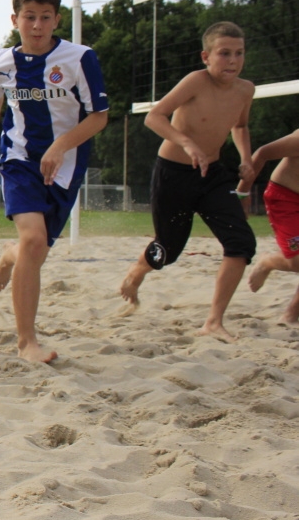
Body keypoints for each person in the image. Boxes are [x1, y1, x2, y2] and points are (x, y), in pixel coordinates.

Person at [0, 0, 109, 363]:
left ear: (56, 20)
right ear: (15, 19)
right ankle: (26, 341)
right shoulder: (0, 62)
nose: (36, 25)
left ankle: (10, 256)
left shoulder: (81, 59)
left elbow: (100, 116)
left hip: (65, 166)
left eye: (45, 17)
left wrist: (61, 146)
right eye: (29, 17)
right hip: (18, 160)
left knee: (35, 250)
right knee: (35, 241)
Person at [119, 22, 255, 341]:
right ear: (206, 56)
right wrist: (187, 143)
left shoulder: (246, 89)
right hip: (173, 174)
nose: (233, 60)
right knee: (168, 249)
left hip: (213, 176)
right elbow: (154, 116)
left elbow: (241, 126)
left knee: (242, 243)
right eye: (224, 54)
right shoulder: (196, 81)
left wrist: (246, 158)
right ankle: (138, 270)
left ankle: (214, 321)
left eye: (239, 53)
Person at [240, 128, 299, 322]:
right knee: (297, 261)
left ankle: (291, 314)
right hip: (285, 198)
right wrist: (242, 193)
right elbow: (262, 153)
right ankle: (268, 262)